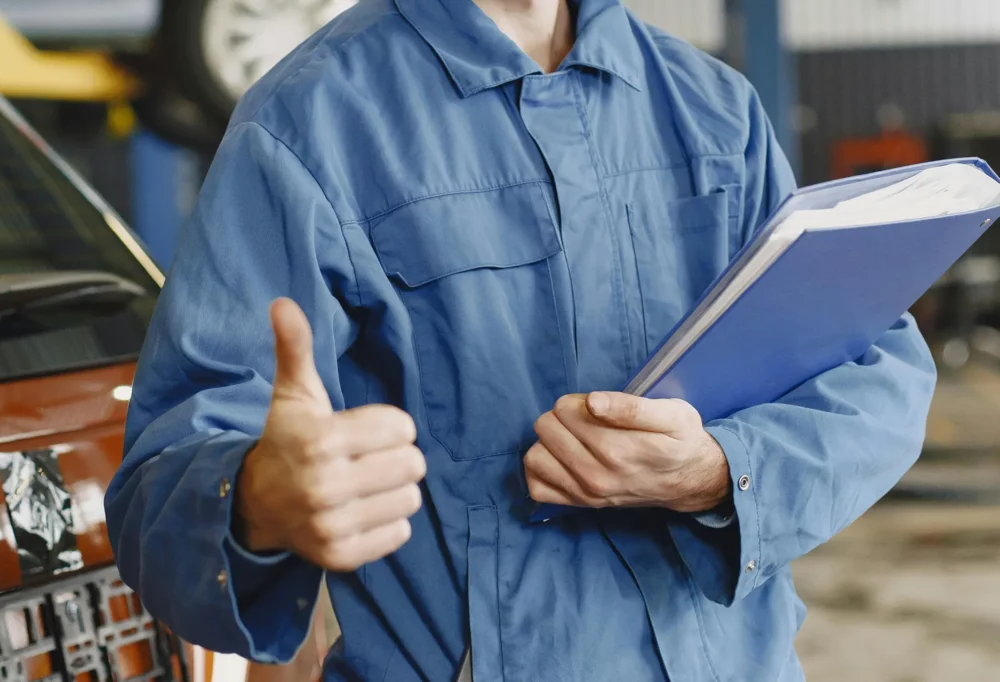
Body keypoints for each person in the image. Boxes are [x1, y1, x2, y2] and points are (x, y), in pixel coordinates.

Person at [104, 0, 938, 680]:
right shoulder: (308, 125)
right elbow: (158, 492)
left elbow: (875, 371)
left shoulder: (713, 108)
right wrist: (255, 500)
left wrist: (723, 468)